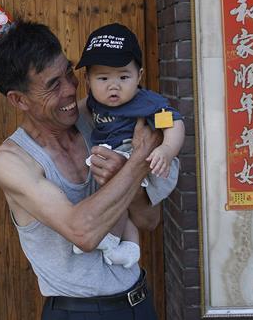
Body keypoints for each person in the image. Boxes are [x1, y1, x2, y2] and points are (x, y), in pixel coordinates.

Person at [0, 20, 185, 320]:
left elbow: (149, 219)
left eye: (69, 74)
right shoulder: (14, 162)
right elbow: (83, 233)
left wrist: (133, 171)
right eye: (52, 85)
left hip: (138, 310)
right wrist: (136, 163)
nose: (70, 90)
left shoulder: (100, 121)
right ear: (19, 100)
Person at [72, 23, 184, 269]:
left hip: (149, 164)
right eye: (103, 78)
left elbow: (174, 123)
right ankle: (130, 247)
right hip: (116, 155)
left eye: (124, 77)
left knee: (115, 189)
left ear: (140, 76)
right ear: (88, 80)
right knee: (112, 188)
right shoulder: (93, 102)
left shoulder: (147, 104)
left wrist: (166, 150)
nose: (114, 86)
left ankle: (109, 239)